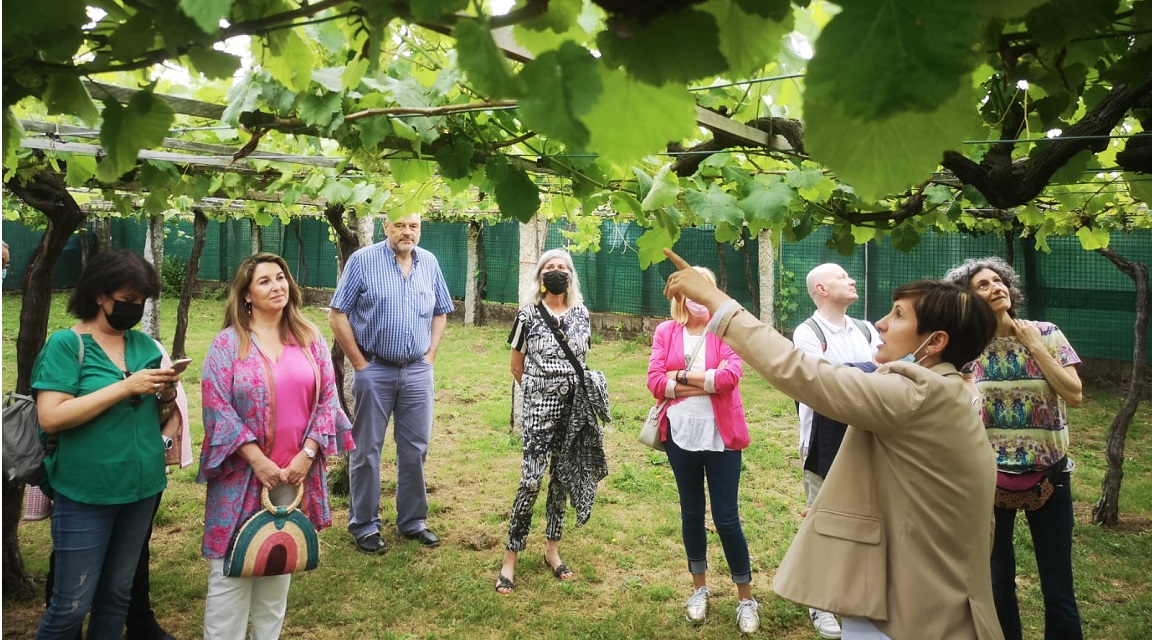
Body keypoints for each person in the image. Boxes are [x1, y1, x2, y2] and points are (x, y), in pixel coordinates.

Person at [662, 248, 1003, 640]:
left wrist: (714, 298)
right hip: (920, 597)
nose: (882, 323)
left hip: (913, 615)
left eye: (898, 315)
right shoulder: (953, 389)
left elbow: (799, 371)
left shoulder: (918, 393)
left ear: (936, 341)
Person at [199, 253, 354, 640]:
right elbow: (216, 406)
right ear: (246, 294)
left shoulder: (309, 338)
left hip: (292, 476)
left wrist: (309, 453)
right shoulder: (228, 344)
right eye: (265, 281)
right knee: (229, 577)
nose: (277, 286)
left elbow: (328, 400)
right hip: (241, 476)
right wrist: (256, 459)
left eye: (281, 277)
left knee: (276, 569)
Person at [31, 249, 184, 640]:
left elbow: (155, 417)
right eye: (128, 301)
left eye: (141, 302)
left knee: (116, 596)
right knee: (71, 605)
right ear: (100, 295)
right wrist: (126, 386)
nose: (134, 309)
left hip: (142, 488)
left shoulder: (145, 347)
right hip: (86, 492)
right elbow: (52, 416)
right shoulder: (67, 346)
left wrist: (165, 395)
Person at [944, 257, 1084, 640]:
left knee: (1058, 585)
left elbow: (1074, 395)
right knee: (997, 583)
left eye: (998, 280)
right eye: (983, 285)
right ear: (968, 300)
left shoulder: (1047, 332)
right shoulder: (966, 350)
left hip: (1051, 476)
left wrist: (1035, 348)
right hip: (988, 480)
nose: (996, 288)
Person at [328, 213, 454, 554]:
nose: (407, 232)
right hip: (375, 370)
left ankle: (412, 521)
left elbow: (441, 310)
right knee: (366, 449)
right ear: (386, 227)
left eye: (413, 226)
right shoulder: (363, 261)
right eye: (399, 225)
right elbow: (337, 312)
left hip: (417, 371)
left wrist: (429, 357)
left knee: (415, 449)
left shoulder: (428, 262)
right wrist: (359, 364)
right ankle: (364, 526)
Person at [646, 266, 759, 633]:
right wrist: (703, 383)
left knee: (727, 518)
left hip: (721, 436)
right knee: (691, 513)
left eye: (703, 291)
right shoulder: (667, 331)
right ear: (681, 296)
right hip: (680, 435)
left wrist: (677, 377)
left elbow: (730, 378)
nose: (695, 300)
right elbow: (653, 382)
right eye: (689, 293)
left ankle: (746, 598)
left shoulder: (725, 331)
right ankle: (699, 589)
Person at [496, 249, 609, 594]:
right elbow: (516, 366)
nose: (557, 271)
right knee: (531, 480)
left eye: (562, 267)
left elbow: (582, 358)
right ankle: (510, 557)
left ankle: (552, 551)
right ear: (541, 276)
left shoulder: (581, 314)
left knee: (561, 478)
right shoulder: (527, 316)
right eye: (550, 267)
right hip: (539, 410)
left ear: (571, 275)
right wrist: (539, 394)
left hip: (573, 410)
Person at [791, 264, 880, 638]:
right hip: (823, 445)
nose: (853, 280)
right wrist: (868, 370)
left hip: (869, 441)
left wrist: (851, 371)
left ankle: (857, 598)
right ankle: (820, 604)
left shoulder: (866, 328)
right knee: (824, 521)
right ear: (822, 289)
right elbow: (825, 385)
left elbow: (886, 371)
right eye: (844, 277)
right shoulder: (807, 333)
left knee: (865, 522)